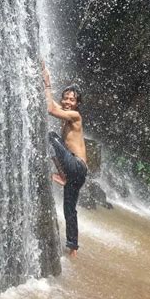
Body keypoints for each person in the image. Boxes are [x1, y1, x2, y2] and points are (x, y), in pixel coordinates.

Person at [42, 62, 87, 257]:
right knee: (69, 209)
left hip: (75, 165)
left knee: (51, 136)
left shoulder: (75, 116)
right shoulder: (68, 112)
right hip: (78, 172)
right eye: (66, 98)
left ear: (77, 104)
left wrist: (47, 84)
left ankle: (63, 174)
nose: (68, 102)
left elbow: (51, 109)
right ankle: (73, 248)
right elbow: (54, 105)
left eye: (72, 99)